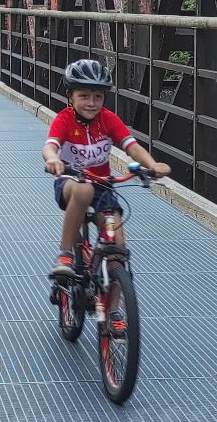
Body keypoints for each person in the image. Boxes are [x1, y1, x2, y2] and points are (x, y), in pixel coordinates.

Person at [42, 58, 171, 281]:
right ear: (70, 97)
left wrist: (152, 165)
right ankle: (65, 254)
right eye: (83, 96)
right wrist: (53, 159)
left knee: (118, 249)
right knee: (84, 191)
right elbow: (50, 146)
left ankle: (114, 312)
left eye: (98, 97)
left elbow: (132, 146)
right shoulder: (64, 120)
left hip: (102, 184)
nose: (91, 103)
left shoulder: (108, 120)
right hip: (70, 182)